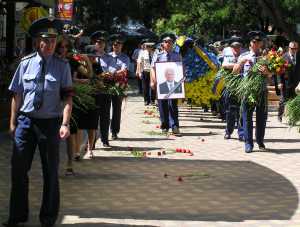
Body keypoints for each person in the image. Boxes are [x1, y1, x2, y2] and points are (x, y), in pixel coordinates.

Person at [4, 17, 73, 227]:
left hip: (50, 124)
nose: (51, 44)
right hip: (26, 122)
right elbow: (17, 94)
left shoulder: (62, 66)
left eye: (54, 41)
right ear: (37, 42)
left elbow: (68, 98)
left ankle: (48, 218)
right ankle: (17, 216)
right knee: (18, 169)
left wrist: (65, 123)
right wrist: (12, 123)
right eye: (47, 40)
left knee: (50, 171)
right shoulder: (25, 64)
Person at [233, 31, 272, 153]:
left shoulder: (266, 57)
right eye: (254, 42)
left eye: (259, 42)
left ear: (261, 44)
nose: (256, 44)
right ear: (250, 43)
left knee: (262, 117)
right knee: (247, 117)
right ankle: (248, 143)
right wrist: (240, 63)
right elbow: (234, 72)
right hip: (248, 90)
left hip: (261, 90)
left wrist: (266, 72)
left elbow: (271, 76)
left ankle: (260, 141)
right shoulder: (244, 56)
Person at [150, 33, 182, 136]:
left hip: (174, 84)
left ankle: (175, 126)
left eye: (170, 42)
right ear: (162, 44)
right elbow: (153, 68)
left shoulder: (177, 55)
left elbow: (181, 68)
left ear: (173, 44)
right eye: (166, 42)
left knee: (173, 104)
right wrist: (153, 80)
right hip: (161, 84)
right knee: (162, 105)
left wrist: (182, 80)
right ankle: (165, 126)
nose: (168, 43)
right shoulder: (158, 55)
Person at [91, 31, 117, 147]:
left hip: (105, 90)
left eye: (102, 42)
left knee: (105, 116)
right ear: (94, 43)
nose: (100, 44)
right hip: (92, 91)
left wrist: (99, 76)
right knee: (92, 118)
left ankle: (105, 140)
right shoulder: (90, 57)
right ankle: (91, 143)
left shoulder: (110, 58)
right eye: (98, 42)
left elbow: (111, 72)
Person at [109, 34, 130, 140]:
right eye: (115, 44)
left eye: (119, 44)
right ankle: (105, 130)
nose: (116, 46)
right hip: (107, 84)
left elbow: (124, 70)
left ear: (121, 46)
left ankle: (114, 131)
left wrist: (112, 73)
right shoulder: (107, 56)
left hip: (119, 85)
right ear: (112, 46)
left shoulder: (125, 57)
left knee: (117, 109)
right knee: (106, 109)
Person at [223, 37, 244, 141]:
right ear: (231, 48)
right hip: (231, 87)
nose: (236, 49)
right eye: (234, 47)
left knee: (241, 110)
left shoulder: (245, 55)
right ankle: (228, 131)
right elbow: (224, 65)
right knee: (230, 111)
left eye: (238, 47)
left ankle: (242, 133)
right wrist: (237, 65)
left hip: (242, 87)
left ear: (241, 47)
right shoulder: (227, 55)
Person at [278, 41, 300, 122]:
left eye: (295, 48)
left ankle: (292, 118)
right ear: (289, 48)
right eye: (292, 48)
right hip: (286, 83)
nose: (294, 50)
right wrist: (280, 82)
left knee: (294, 101)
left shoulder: (299, 57)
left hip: (297, 83)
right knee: (283, 100)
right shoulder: (283, 57)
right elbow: (278, 71)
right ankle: (280, 115)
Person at [136, 40, 156, 105]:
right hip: (145, 70)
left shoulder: (156, 52)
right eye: (147, 46)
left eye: (150, 46)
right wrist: (139, 72)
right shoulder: (142, 52)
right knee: (145, 86)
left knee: (153, 86)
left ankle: (153, 100)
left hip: (153, 71)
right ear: (145, 46)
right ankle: (146, 100)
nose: (149, 47)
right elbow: (140, 62)